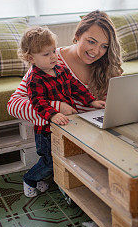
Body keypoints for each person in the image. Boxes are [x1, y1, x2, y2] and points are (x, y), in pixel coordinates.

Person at [17, 25, 106, 197]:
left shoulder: (61, 69)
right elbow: (38, 103)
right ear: (31, 58)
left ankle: (44, 179)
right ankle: (30, 178)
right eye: (46, 54)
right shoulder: (34, 79)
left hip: (66, 125)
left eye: (53, 51)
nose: (53, 57)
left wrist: (91, 101)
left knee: (62, 156)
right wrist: (53, 114)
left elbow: (77, 88)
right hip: (47, 130)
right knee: (50, 161)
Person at [7, 10, 123, 125]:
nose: (97, 51)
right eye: (91, 42)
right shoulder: (52, 62)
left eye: (104, 46)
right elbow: (13, 105)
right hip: (66, 132)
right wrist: (55, 107)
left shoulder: (108, 64)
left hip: (97, 129)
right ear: (77, 35)